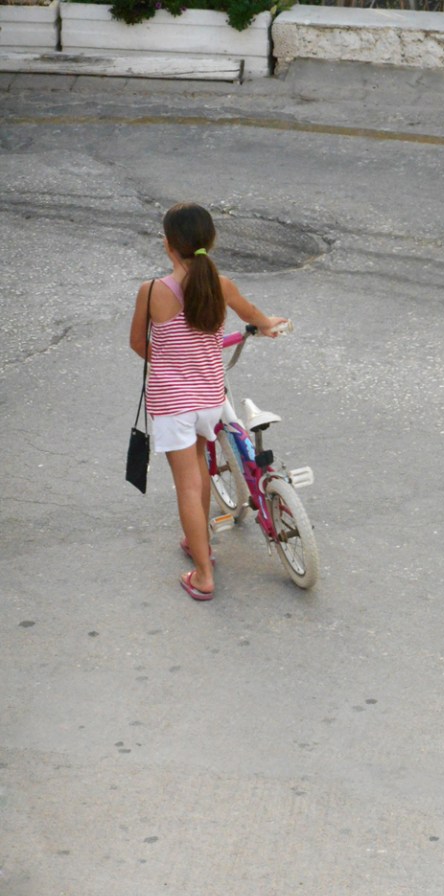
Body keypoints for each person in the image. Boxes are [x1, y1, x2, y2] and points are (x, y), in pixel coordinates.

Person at [129, 201, 286, 601]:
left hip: (173, 405)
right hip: (210, 399)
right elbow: (255, 315)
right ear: (209, 242)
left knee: (187, 482)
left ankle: (203, 574)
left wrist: (169, 360)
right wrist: (268, 326)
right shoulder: (222, 285)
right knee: (199, 466)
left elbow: (137, 345)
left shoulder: (152, 292)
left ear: (168, 245)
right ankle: (198, 542)